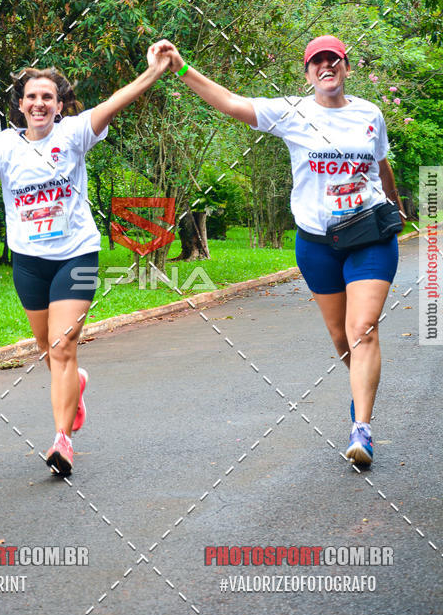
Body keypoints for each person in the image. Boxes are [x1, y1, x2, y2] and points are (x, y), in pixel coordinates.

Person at [0, 46, 171, 476]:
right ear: (20, 105)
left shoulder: (74, 134)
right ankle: (75, 384)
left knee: (62, 346)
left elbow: (117, 101)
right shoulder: (4, 146)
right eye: (31, 97)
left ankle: (62, 441)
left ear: (59, 106)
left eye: (48, 97)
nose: (39, 103)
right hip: (28, 262)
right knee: (47, 349)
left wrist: (153, 72)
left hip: (76, 255)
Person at [152, 35, 404, 467]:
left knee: (362, 328)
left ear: (346, 68)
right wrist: (181, 67)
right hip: (317, 243)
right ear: (307, 74)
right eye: (317, 62)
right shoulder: (292, 113)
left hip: (370, 237)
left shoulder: (369, 114)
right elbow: (231, 102)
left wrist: (396, 208)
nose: (326, 66)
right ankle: (362, 386)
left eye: (334, 60)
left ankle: (361, 428)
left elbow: (381, 164)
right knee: (340, 336)